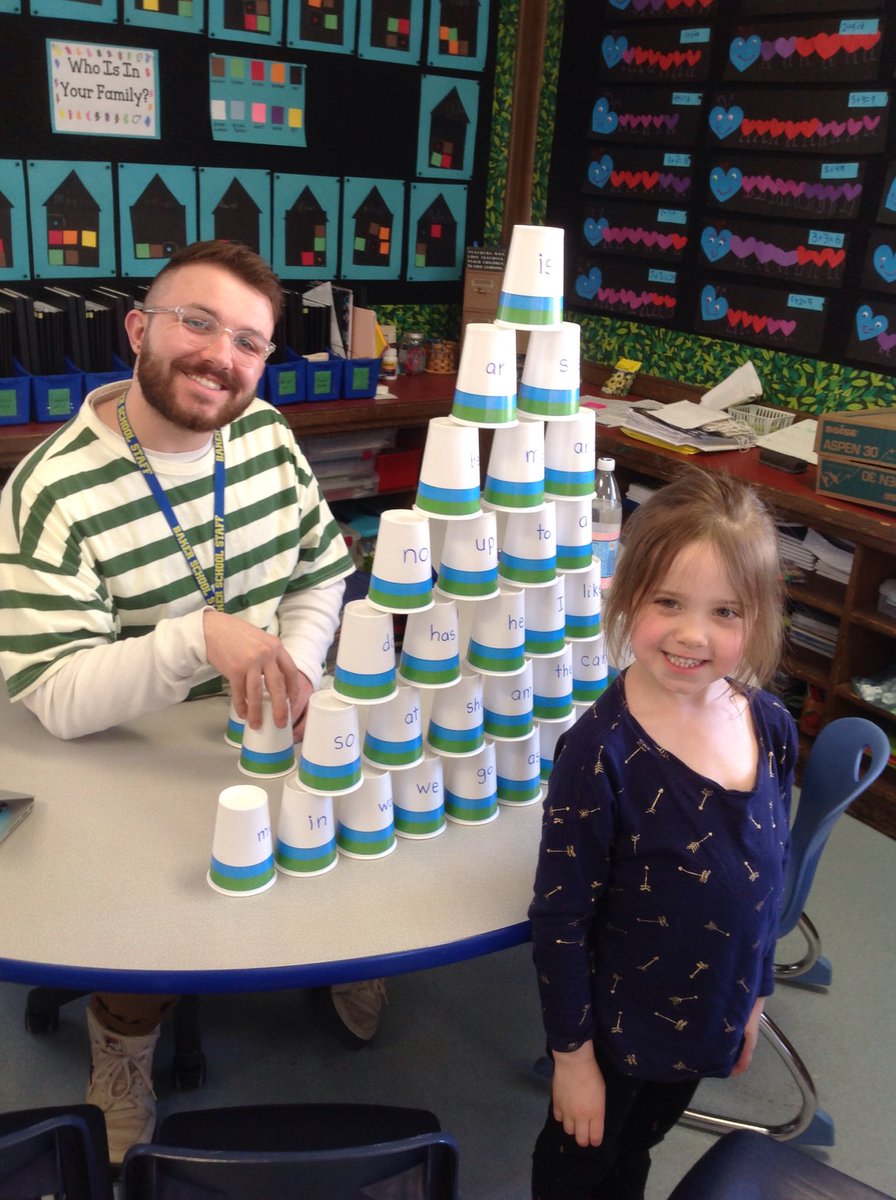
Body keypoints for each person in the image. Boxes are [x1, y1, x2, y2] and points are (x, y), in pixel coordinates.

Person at [0, 241, 384, 1163]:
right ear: (138, 330)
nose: (221, 356)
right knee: (144, 918)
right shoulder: (50, 490)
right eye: (197, 323)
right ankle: (122, 1050)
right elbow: (56, 694)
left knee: (361, 822)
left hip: (265, 721)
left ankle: (350, 950)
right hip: (127, 746)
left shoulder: (266, 434)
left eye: (249, 341)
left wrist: (292, 668)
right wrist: (197, 639)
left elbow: (319, 573)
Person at [529, 467, 797, 1200]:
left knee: (638, 1151)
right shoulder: (599, 753)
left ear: (758, 620)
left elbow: (769, 875)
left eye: (724, 611)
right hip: (615, 1037)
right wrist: (572, 1060)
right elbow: (559, 919)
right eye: (668, 601)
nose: (691, 634)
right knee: (580, 1168)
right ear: (626, 594)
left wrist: (756, 995)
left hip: (707, 1020)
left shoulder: (770, 726)